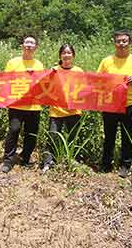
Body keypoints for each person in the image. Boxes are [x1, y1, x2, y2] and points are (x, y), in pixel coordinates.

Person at [97, 29, 132, 178]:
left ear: (130, 42)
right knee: (109, 135)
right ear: (114, 43)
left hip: (129, 104)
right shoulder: (106, 61)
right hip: (110, 104)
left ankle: (125, 165)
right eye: (118, 41)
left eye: (124, 41)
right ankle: (106, 164)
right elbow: (98, 78)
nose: (121, 44)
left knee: (127, 135)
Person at [1, 35, 44, 173]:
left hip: (34, 105)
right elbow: (5, 81)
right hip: (16, 104)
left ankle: (25, 158)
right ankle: (8, 160)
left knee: (31, 134)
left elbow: (42, 84)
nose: (29, 45)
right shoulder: (13, 62)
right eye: (27, 42)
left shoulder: (39, 64)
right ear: (22, 46)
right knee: (14, 130)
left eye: (32, 43)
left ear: (36, 47)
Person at [42, 44, 84, 173]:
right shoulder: (54, 70)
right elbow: (44, 86)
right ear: (60, 55)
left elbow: (84, 89)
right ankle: (48, 162)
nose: (66, 55)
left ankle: (73, 160)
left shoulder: (79, 71)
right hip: (56, 111)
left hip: (74, 110)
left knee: (73, 137)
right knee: (53, 137)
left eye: (69, 53)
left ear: (73, 55)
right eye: (64, 53)